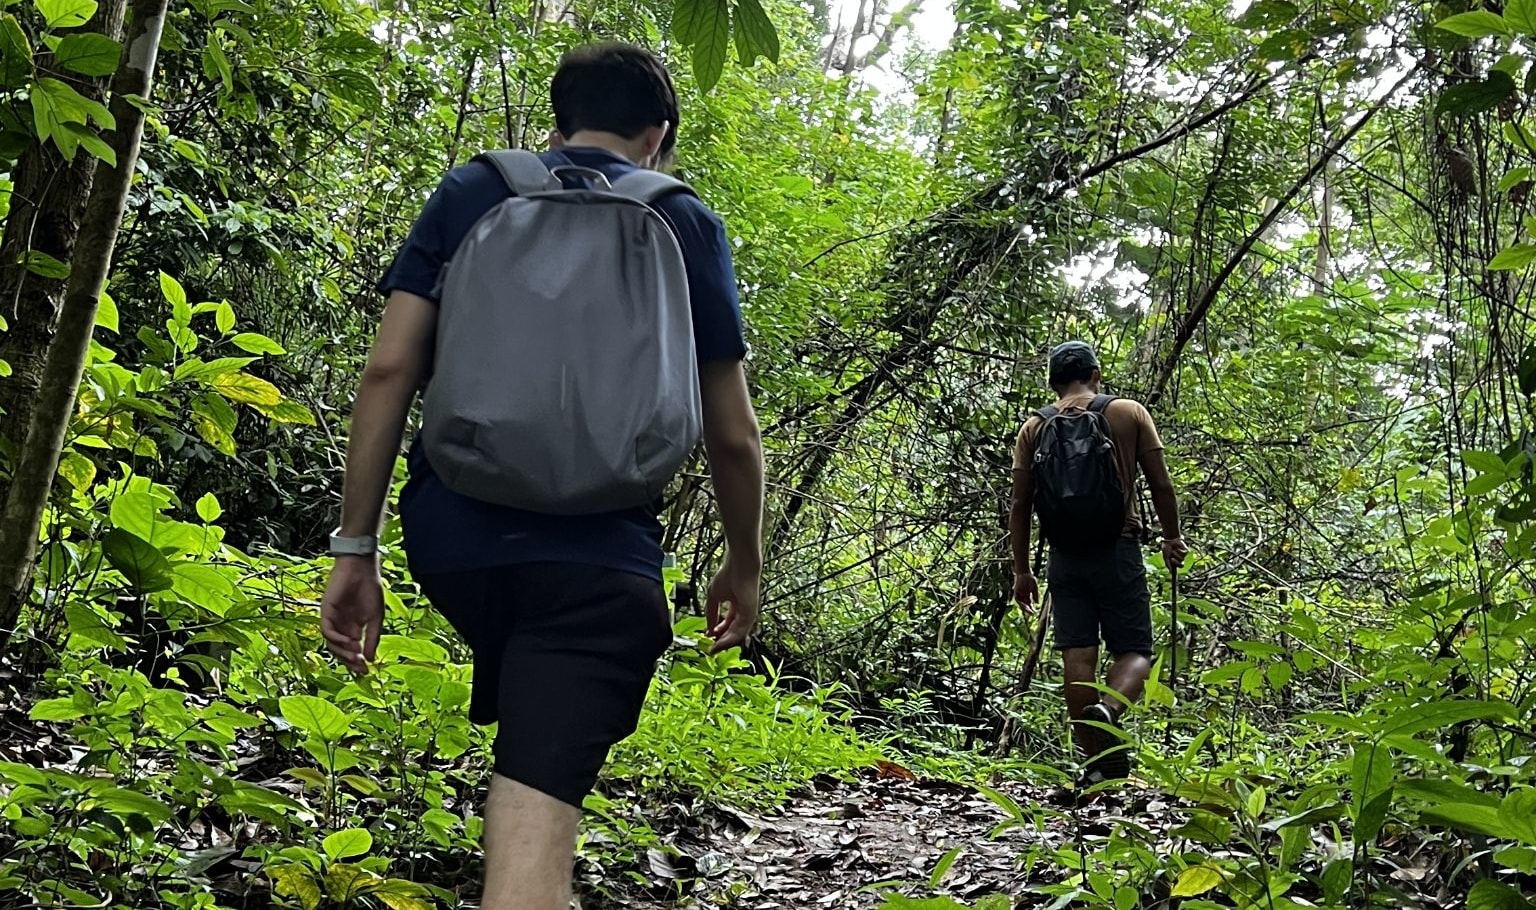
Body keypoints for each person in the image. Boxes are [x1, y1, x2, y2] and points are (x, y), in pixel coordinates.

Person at [317, 43, 765, 910]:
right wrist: (743, 568)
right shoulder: (683, 220)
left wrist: (355, 549)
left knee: (535, 715)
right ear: (658, 134)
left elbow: (388, 372)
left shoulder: (474, 190)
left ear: (558, 123)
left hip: (455, 536)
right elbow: (733, 434)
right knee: (541, 780)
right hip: (598, 564)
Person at [1008, 340, 1186, 802]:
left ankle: (1095, 771)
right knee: (1136, 651)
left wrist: (1022, 570)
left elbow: (1020, 504)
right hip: (1118, 549)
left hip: (1064, 557)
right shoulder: (1128, 412)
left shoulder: (1034, 427)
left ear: (1054, 382)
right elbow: (1160, 481)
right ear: (1096, 373)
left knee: (1077, 657)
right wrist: (1171, 537)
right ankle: (1108, 709)